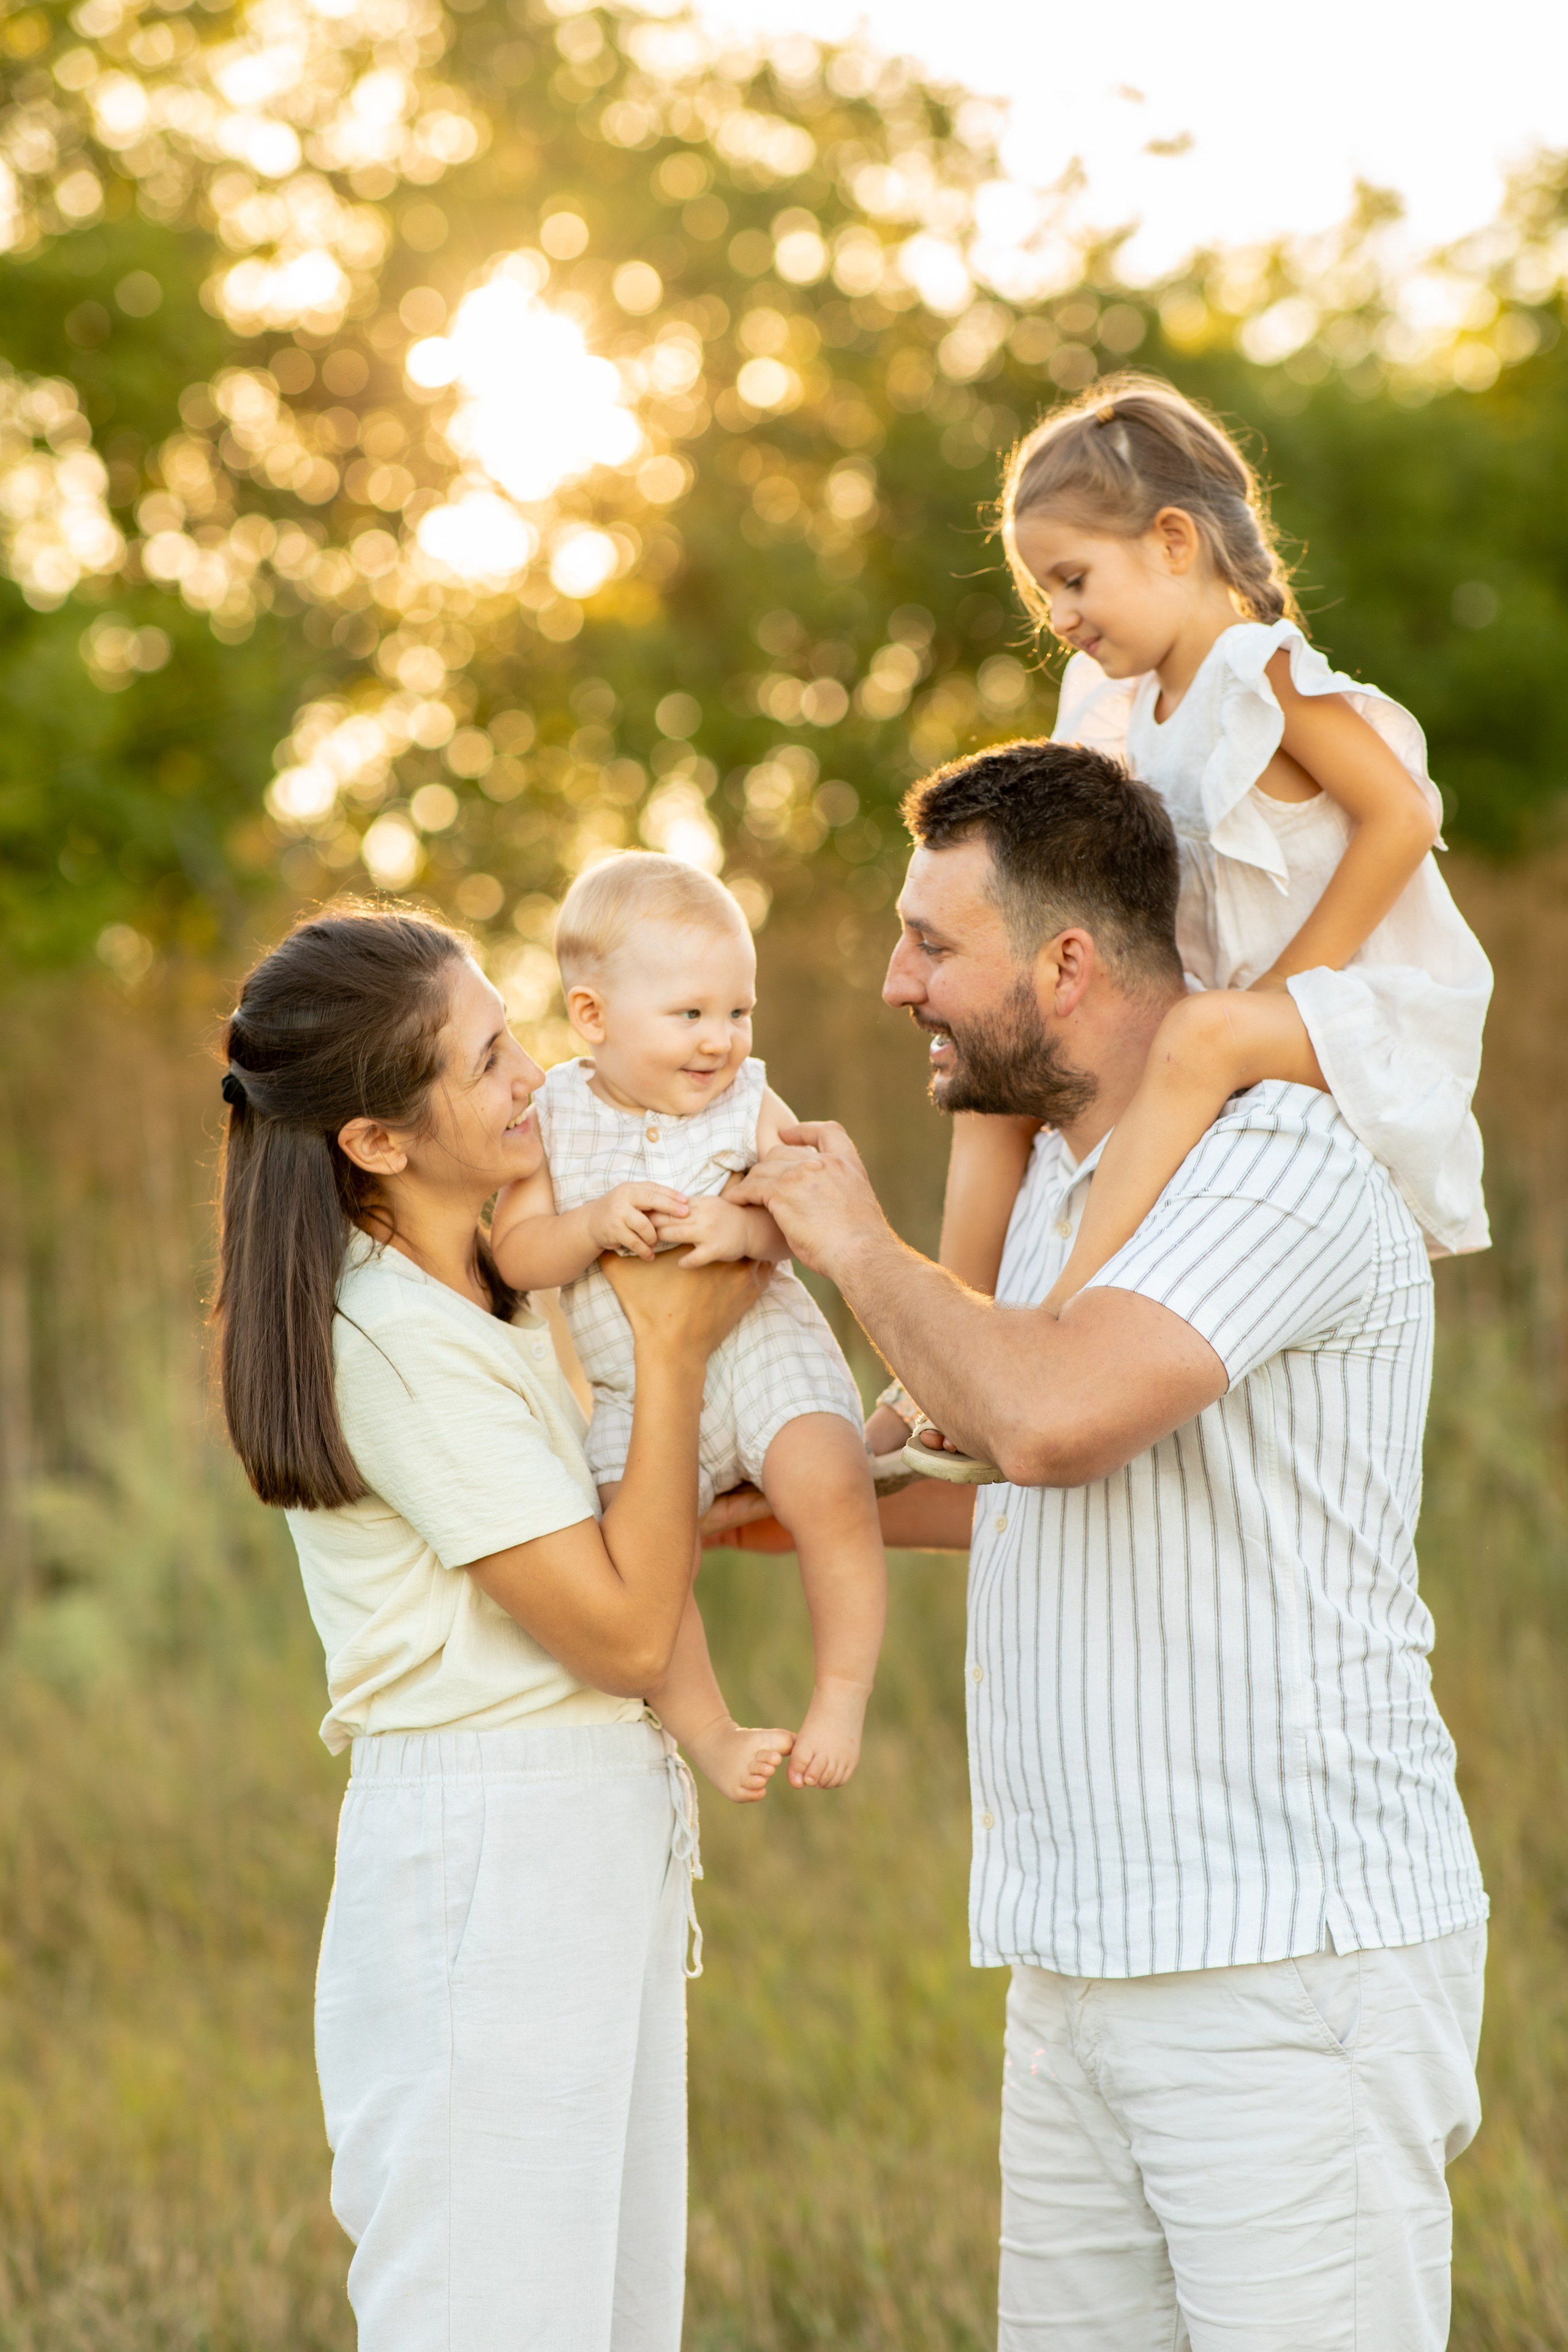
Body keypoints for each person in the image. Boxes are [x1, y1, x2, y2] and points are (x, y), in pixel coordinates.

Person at [736, 739, 1488, 2352]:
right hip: (1080, 1956)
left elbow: (1052, 1422)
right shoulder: (1054, 1186)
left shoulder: (1273, 1160)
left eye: (930, 945)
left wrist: (856, 1244)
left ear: (1066, 963)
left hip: (1283, 1969)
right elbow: (997, 1476)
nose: (895, 984)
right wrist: (712, 1488)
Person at [213, 900, 771, 2352]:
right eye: (482, 1063)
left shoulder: (495, 1289)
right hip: (489, 1849)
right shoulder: (391, 1338)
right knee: (491, 2317)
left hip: (581, 1829)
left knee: (609, 2317)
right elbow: (625, 1637)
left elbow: (616, 1535)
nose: (531, 1076)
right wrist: (672, 1353)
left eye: (509, 1035)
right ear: (375, 1141)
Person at [872, 373, 1491, 1482]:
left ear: (1172, 540)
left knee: (1201, 1037)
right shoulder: (1119, 707)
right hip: (1222, 1009)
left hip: (1352, 1002)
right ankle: (943, 1371)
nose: (1060, 617)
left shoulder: (1261, 672)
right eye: (1043, 593)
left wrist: (1279, 997)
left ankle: (1055, 1324)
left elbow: (1403, 816)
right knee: (999, 1088)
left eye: (1073, 579)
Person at [491, 851, 886, 1794]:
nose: (721, 1041)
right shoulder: (554, 1117)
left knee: (833, 1483)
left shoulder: (750, 1100)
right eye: (691, 1015)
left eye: (739, 1012)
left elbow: (809, 1212)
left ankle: (842, 1692)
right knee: (636, 1559)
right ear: (593, 1017)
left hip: (762, 1353)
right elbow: (517, 1254)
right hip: (636, 1389)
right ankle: (711, 1733)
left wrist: (747, 1227)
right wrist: (591, 1224)